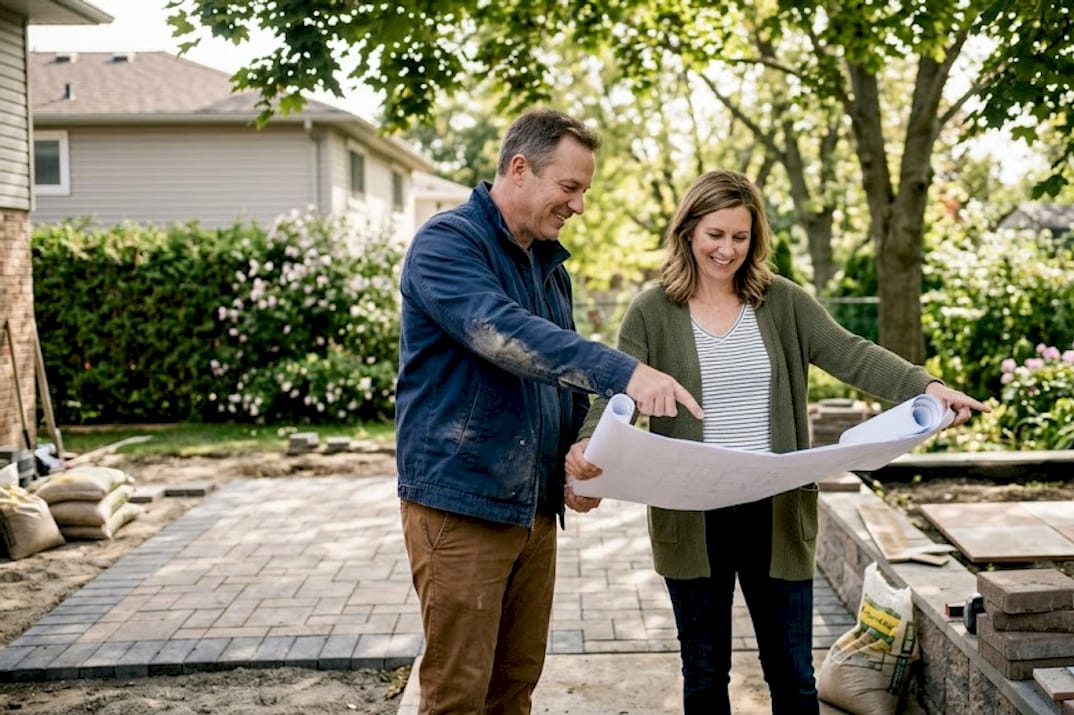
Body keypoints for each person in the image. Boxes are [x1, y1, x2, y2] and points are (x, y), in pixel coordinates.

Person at [564, 169, 989, 714]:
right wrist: (586, 450)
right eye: (715, 234)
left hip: (775, 508)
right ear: (689, 230)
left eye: (740, 237)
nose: (727, 249)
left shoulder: (782, 302)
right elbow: (612, 389)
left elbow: (851, 352)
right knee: (704, 673)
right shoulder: (652, 311)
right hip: (691, 513)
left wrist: (925, 386)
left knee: (792, 675)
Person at [395, 108, 703, 715]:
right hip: (461, 506)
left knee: (514, 689)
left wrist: (580, 461)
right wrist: (627, 371)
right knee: (458, 694)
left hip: (531, 513)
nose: (579, 206)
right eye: (570, 187)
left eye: (584, 190)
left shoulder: (547, 266)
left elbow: (561, 383)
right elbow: (504, 334)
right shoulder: (448, 243)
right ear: (518, 168)